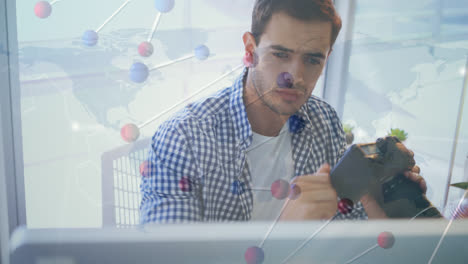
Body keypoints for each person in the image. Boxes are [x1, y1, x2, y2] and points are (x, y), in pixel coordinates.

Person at [139, 0, 427, 223]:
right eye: (280, 54)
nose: (295, 76)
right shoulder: (183, 138)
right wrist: (282, 235)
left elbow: (344, 227)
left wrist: (376, 205)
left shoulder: (323, 120)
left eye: (312, 59)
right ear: (250, 50)